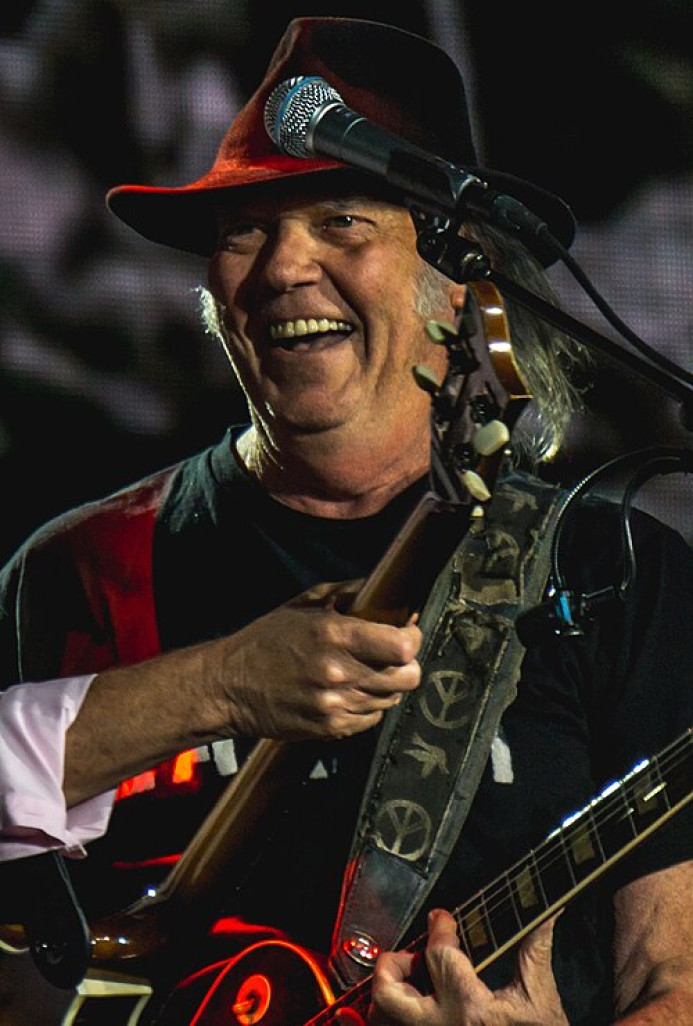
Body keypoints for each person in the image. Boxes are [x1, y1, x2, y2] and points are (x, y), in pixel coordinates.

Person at [0, 15, 691, 1026]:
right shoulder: (87, 568)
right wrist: (226, 682)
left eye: (343, 220)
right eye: (245, 229)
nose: (284, 267)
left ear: (458, 290)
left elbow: (673, 982)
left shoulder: (620, 569)